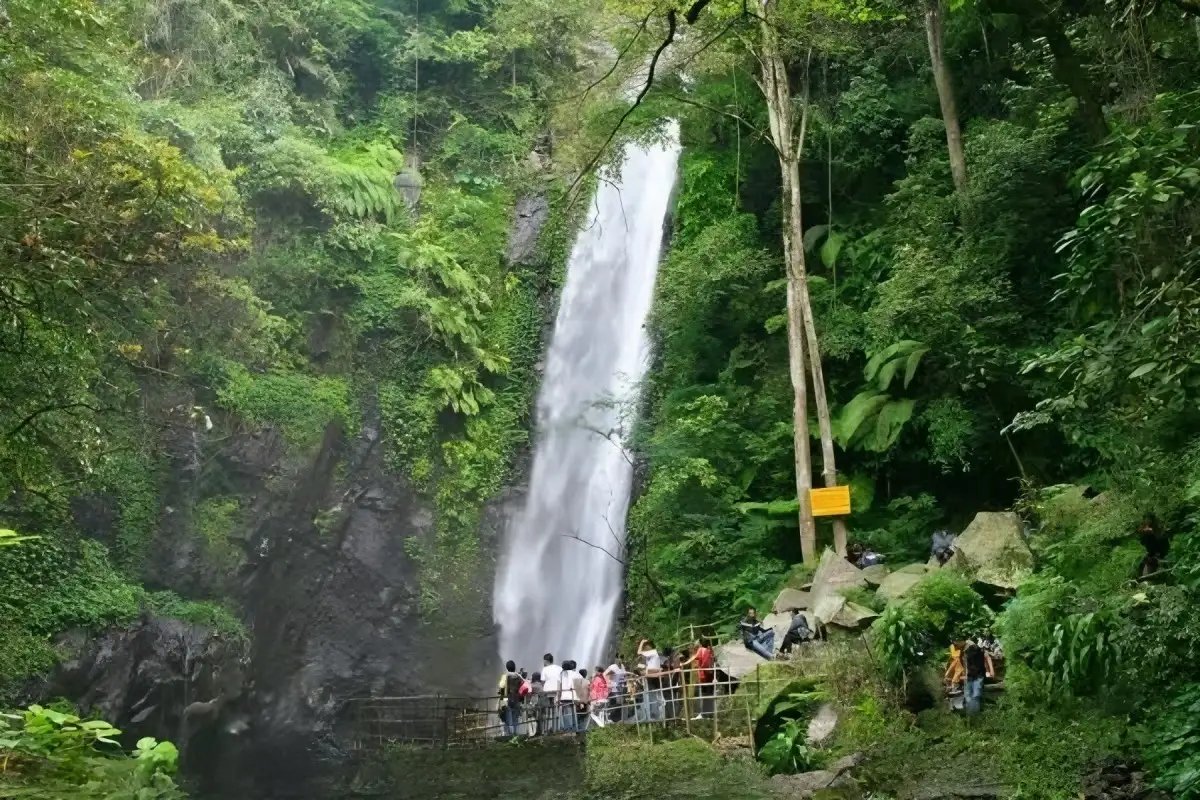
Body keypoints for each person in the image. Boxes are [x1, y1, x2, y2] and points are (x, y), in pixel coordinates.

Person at [682, 638, 714, 719]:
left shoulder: (701, 649)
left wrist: (684, 664)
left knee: (704, 695)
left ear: (699, 644)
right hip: (710, 675)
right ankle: (709, 714)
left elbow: (694, 657)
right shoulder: (708, 650)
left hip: (704, 675)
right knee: (709, 694)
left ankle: (703, 714)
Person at [962, 639, 992, 714]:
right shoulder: (967, 653)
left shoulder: (980, 653)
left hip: (977, 676)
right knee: (971, 695)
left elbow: (986, 660)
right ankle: (971, 713)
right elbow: (966, 666)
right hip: (972, 676)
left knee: (974, 695)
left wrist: (991, 671)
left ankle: (973, 714)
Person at [638, 638, 665, 721]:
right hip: (652, 676)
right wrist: (644, 669)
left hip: (653, 677)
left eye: (645, 646)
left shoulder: (653, 652)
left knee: (656, 695)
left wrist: (642, 642)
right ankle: (653, 714)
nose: (644, 649)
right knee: (653, 695)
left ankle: (658, 714)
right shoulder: (652, 655)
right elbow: (651, 666)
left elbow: (639, 652)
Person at [498, 660, 523, 736]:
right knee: (515, 718)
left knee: (509, 718)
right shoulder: (519, 676)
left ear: (507, 667)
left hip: (507, 699)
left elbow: (501, 686)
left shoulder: (505, 676)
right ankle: (517, 734)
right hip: (516, 698)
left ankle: (509, 735)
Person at [541, 653, 563, 732]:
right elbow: (561, 680)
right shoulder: (559, 668)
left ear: (546, 661)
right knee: (556, 710)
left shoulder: (545, 669)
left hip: (547, 692)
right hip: (557, 691)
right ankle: (556, 729)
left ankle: (547, 729)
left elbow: (543, 681)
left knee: (547, 711)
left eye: (544, 661)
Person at [558, 659, 580, 732]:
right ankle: (574, 727)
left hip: (564, 696)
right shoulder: (575, 674)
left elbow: (559, 686)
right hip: (573, 696)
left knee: (565, 713)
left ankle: (566, 728)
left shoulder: (561, 674)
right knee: (573, 712)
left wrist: (558, 696)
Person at [604, 658, 628, 723]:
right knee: (615, 704)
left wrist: (624, 682)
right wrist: (610, 682)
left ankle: (617, 719)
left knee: (620, 704)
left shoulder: (622, 667)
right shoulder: (613, 667)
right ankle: (612, 718)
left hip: (620, 688)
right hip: (614, 689)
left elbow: (625, 676)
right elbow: (605, 674)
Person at [531, 671, 549, 736]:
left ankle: (539, 731)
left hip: (537, 703)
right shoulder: (542, 685)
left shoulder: (533, 685)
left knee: (537, 718)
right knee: (543, 717)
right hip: (544, 701)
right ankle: (544, 731)